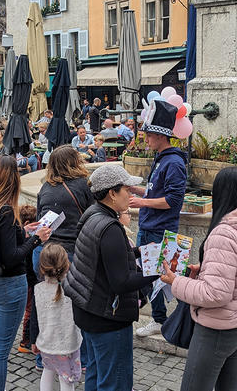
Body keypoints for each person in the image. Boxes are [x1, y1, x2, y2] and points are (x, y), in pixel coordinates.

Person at [159, 166, 237, 391]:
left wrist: (176, 281)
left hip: (216, 328)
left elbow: (216, 294)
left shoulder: (224, 233)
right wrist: (206, 269)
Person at [63, 165, 158, 391]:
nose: (131, 194)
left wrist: (142, 252)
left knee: (96, 375)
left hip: (88, 310)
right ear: (112, 193)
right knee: (115, 382)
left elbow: (105, 256)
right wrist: (157, 271)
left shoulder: (93, 213)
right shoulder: (111, 227)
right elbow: (122, 283)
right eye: (127, 189)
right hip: (107, 318)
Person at [0, 156, 52, 391]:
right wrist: (37, 240)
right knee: (0, 348)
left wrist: (23, 231)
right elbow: (12, 257)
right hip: (8, 284)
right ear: (12, 178)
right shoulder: (6, 210)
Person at [130, 100, 187, 336]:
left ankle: (161, 319)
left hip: (159, 229)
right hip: (151, 226)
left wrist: (142, 202)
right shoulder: (162, 158)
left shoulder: (172, 162)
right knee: (153, 275)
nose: (145, 138)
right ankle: (161, 318)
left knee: (160, 276)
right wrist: (136, 190)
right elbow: (158, 193)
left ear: (161, 136)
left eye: (149, 134)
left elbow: (173, 200)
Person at [31, 244, 83, 391]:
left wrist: (33, 340)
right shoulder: (74, 288)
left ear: (42, 268)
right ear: (67, 264)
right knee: (67, 378)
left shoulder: (38, 290)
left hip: (47, 343)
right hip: (69, 344)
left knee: (48, 371)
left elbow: (33, 320)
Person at [17, 205, 39, 355]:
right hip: (29, 280)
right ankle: (25, 341)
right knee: (30, 310)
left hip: (28, 279)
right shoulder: (27, 240)